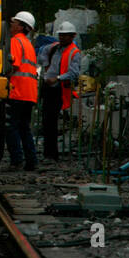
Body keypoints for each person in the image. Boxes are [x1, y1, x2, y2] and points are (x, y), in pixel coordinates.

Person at [38, 21, 79, 162]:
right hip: (48, 89)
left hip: (58, 90)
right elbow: (42, 52)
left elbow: (74, 73)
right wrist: (46, 66)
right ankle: (47, 153)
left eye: (65, 36)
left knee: (52, 123)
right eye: (60, 35)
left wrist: (57, 78)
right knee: (46, 122)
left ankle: (52, 154)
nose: (61, 38)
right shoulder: (55, 48)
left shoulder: (74, 52)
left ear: (72, 36)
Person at [4, 10, 39, 171]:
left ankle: (16, 161)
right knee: (25, 127)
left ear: (21, 27)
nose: (12, 24)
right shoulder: (29, 44)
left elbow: (14, 65)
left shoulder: (15, 42)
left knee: (11, 126)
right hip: (30, 93)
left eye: (15, 22)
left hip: (17, 90)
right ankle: (31, 161)